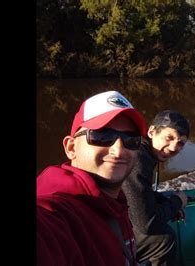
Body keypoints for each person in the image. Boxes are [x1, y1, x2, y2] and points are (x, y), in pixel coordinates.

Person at [37, 91, 147, 266]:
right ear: (71, 147)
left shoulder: (115, 199)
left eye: (131, 140)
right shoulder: (57, 213)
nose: (118, 151)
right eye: (102, 136)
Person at [122, 110, 190, 266]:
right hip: (102, 235)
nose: (174, 147)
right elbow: (147, 224)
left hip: (114, 219)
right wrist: (176, 203)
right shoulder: (138, 160)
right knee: (164, 240)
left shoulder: (143, 151)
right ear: (152, 132)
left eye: (180, 143)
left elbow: (140, 192)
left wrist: (165, 201)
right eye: (169, 138)